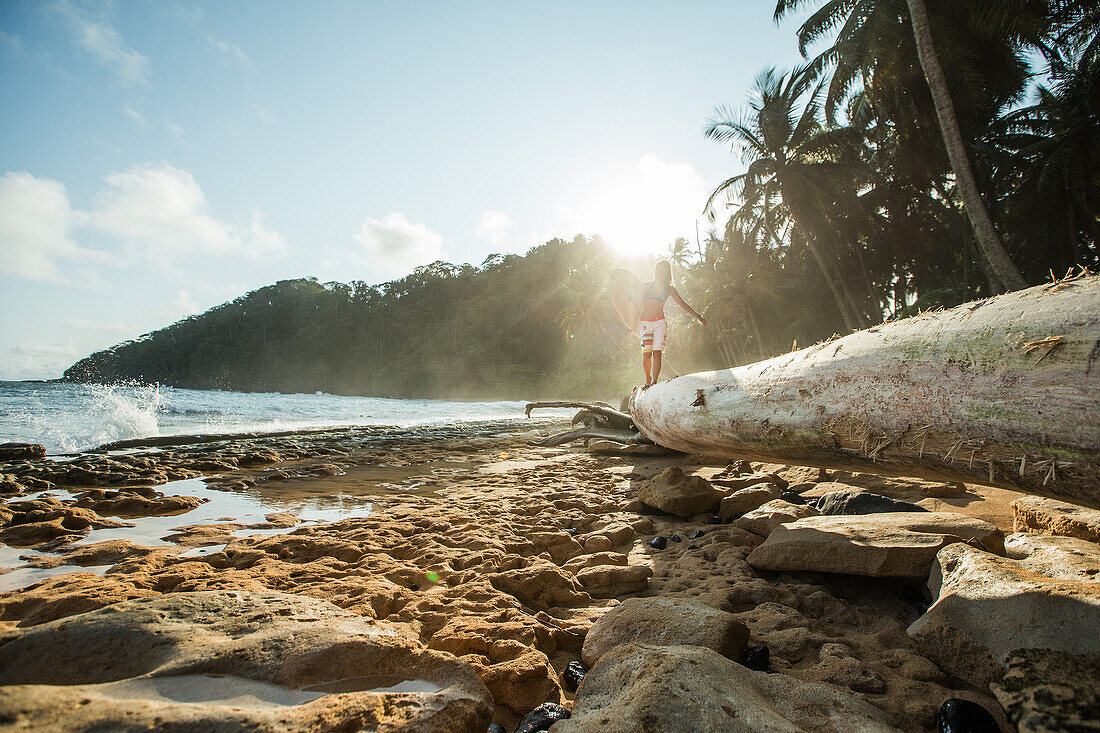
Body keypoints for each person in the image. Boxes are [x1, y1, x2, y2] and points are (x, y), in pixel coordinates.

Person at [639, 260, 705, 387]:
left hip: (660, 324)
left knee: (657, 352)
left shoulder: (670, 290)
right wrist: (630, 324)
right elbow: (633, 304)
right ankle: (648, 379)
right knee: (646, 356)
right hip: (645, 323)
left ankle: (653, 383)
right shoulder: (646, 286)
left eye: (664, 271)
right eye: (659, 270)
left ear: (668, 273)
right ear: (656, 271)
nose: (661, 273)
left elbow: (683, 304)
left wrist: (698, 316)